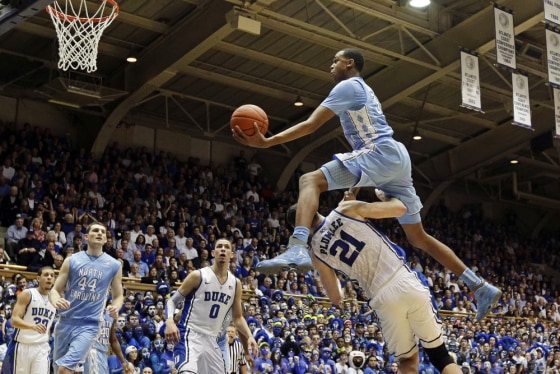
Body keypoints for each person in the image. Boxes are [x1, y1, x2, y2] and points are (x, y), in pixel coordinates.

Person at [233, 47, 501, 320]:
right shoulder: (360, 89)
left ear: (349, 63)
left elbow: (311, 125)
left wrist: (268, 142)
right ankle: (478, 286)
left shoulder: (348, 86)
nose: (331, 66)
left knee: (309, 179)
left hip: (379, 152)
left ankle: (298, 246)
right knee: (419, 238)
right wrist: (357, 186)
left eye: (335, 61)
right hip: (392, 158)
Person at [290, 194, 463, 374]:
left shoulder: (316, 253)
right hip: (403, 278)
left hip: (381, 298)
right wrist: (387, 195)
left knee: (407, 361)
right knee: (440, 357)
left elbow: (335, 297)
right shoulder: (346, 209)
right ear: (314, 206)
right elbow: (400, 208)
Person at [164, 238, 258, 374]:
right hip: (190, 335)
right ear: (213, 253)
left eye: (227, 247)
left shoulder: (236, 284)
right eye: (219, 247)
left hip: (211, 340)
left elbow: (238, 318)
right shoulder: (198, 275)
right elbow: (172, 301)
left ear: (232, 254)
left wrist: (249, 336)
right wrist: (169, 321)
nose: (223, 249)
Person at [50, 222, 124, 374]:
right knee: (59, 370)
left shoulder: (114, 265)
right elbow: (55, 290)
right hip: (65, 322)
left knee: (65, 369)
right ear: (86, 236)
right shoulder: (71, 260)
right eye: (95, 231)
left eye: (103, 232)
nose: (100, 234)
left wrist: (115, 307)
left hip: (89, 325)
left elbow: (118, 296)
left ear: (105, 239)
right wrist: (56, 300)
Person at [1, 266, 56, 374]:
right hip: (23, 345)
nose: (49, 277)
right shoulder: (28, 294)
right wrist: (32, 326)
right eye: (46, 275)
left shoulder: (55, 299)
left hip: (42, 347)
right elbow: (14, 320)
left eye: (52, 276)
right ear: (38, 279)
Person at [83, 310, 134, 374]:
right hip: (90, 352)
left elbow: (113, 340)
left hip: (103, 355)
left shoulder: (109, 315)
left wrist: (123, 361)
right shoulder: (85, 311)